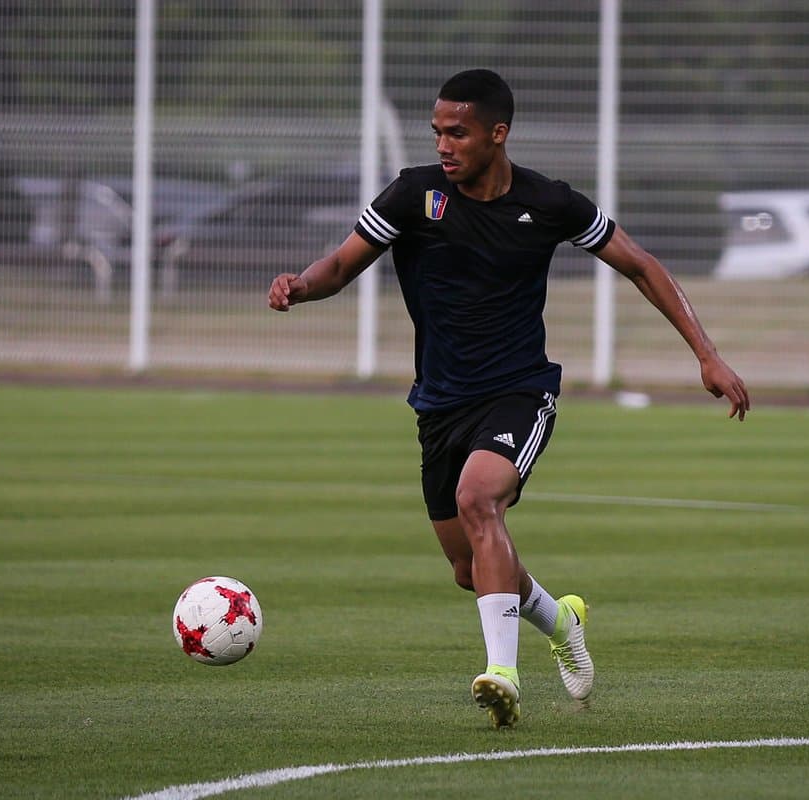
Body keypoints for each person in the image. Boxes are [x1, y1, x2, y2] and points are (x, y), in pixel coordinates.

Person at [269, 69, 749, 729]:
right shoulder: (414, 195)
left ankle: (503, 676)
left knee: (479, 500)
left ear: (498, 133)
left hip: (519, 391)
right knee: (470, 569)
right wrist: (301, 285)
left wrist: (707, 354)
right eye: (437, 132)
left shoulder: (549, 203)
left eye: (458, 133)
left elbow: (641, 264)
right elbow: (342, 265)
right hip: (439, 404)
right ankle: (561, 621)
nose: (444, 144)